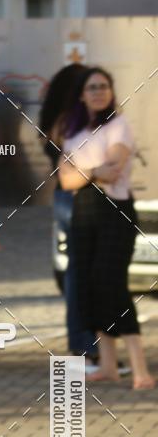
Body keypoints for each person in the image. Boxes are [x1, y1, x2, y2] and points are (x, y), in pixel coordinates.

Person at [59, 66, 155, 389]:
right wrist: (94, 171)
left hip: (116, 212)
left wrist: (86, 172)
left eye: (104, 86)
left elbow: (113, 170)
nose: (99, 91)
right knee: (90, 284)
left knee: (111, 282)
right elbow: (64, 179)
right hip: (84, 213)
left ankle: (140, 368)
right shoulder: (72, 134)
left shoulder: (119, 126)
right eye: (92, 87)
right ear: (82, 95)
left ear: (111, 92)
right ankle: (110, 365)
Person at [38, 63, 99, 364]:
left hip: (66, 200)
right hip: (77, 200)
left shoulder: (56, 121)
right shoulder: (71, 124)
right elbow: (75, 169)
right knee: (81, 275)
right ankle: (85, 346)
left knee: (78, 272)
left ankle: (88, 344)